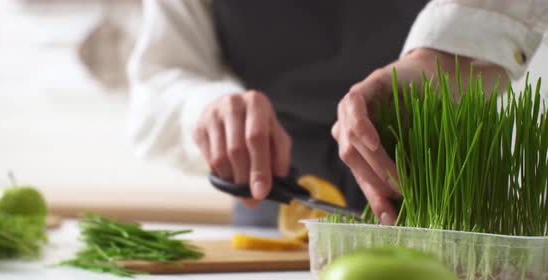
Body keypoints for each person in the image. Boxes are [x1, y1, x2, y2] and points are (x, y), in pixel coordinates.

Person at [128, 0, 548, 226]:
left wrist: (443, 55)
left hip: (451, 199)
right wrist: (206, 108)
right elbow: (161, 77)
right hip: (284, 207)